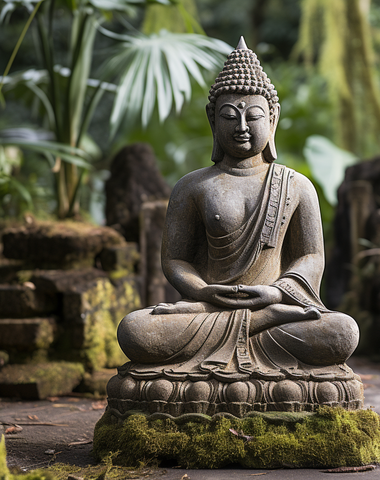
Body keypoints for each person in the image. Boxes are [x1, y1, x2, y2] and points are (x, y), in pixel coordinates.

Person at [112, 39, 360, 406]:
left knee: (342, 331)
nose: (242, 126)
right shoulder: (192, 187)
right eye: (229, 116)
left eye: (254, 116)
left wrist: (275, 294)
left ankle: (261, 321)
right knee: (136, 330)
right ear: (214, 121)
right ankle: (255, 330)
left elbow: (311, 258)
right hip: (208, 310)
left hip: (276, 311)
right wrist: (202, 291)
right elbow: (175, 260)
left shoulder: (295, 186)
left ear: (272, 120)